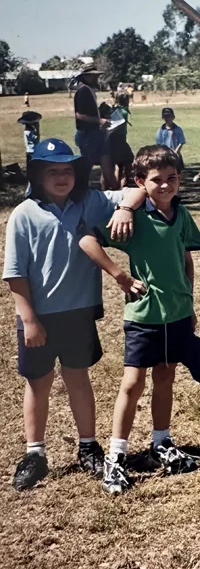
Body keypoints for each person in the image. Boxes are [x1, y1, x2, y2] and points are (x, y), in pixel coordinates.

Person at [2, 138, 144, 492]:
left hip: (78, 312)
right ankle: (35, 453)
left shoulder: (89, 203)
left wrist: (124, 210)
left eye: (67, 170)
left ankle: (87, 446)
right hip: (40, 317)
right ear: (37, 175)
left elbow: (135, 191)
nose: (62, 177)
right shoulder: (23, 215)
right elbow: (15, 274)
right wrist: (29, 320)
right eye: (53, 171)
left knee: (78, 378)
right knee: (39, 383)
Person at [79, 145, 200, 496]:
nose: (165, 186)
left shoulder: (181, 214)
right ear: (140, 182)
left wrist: (190, 302)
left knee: (166, 375)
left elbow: (186, 260)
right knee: (132, 385)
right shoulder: (131, 220)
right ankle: (115, 458)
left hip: (178, 313)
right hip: (144, 316)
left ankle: (161, 443)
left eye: (172, 179)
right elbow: (88, 241)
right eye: (156, 180)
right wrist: (120, 276)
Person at [73, 62, 117, 190]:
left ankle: (113, 194)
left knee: (107, 166)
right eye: (93, 76)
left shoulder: (90, 91)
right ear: (85, 77)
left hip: (97, 133)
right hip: (88, 135)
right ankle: (79, 193)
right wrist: (100, 120)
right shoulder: (83, 91)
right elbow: (80, 115)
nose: (96, 78)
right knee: (86, 169)